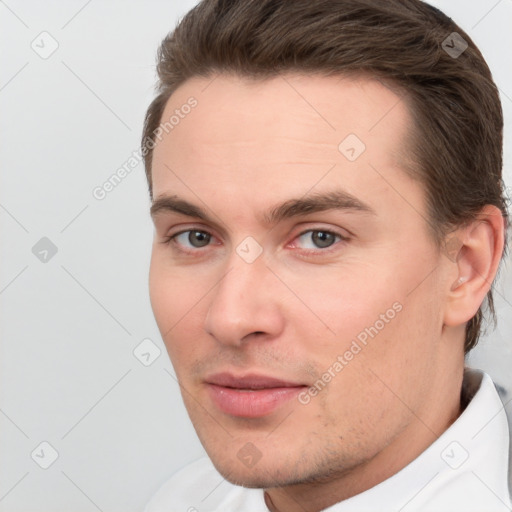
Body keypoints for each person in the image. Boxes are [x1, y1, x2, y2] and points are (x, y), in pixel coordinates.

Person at [141, 0, 511, 510]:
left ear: (466, 266)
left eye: (319, 238)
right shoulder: (180, 501)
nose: (230, 318)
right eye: (196, 237)